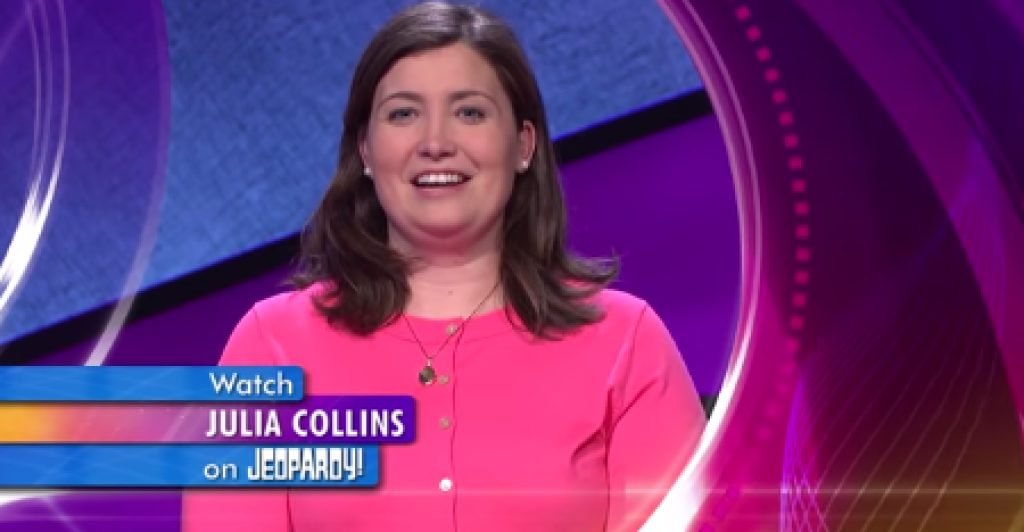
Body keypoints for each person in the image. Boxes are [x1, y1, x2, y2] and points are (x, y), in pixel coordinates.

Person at [182, 2, 705, 530]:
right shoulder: (271, 347)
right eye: (403, 114)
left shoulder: (625, 341)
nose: (435, 144)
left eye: (470, 113)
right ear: (366, 150)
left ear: (523, 145)